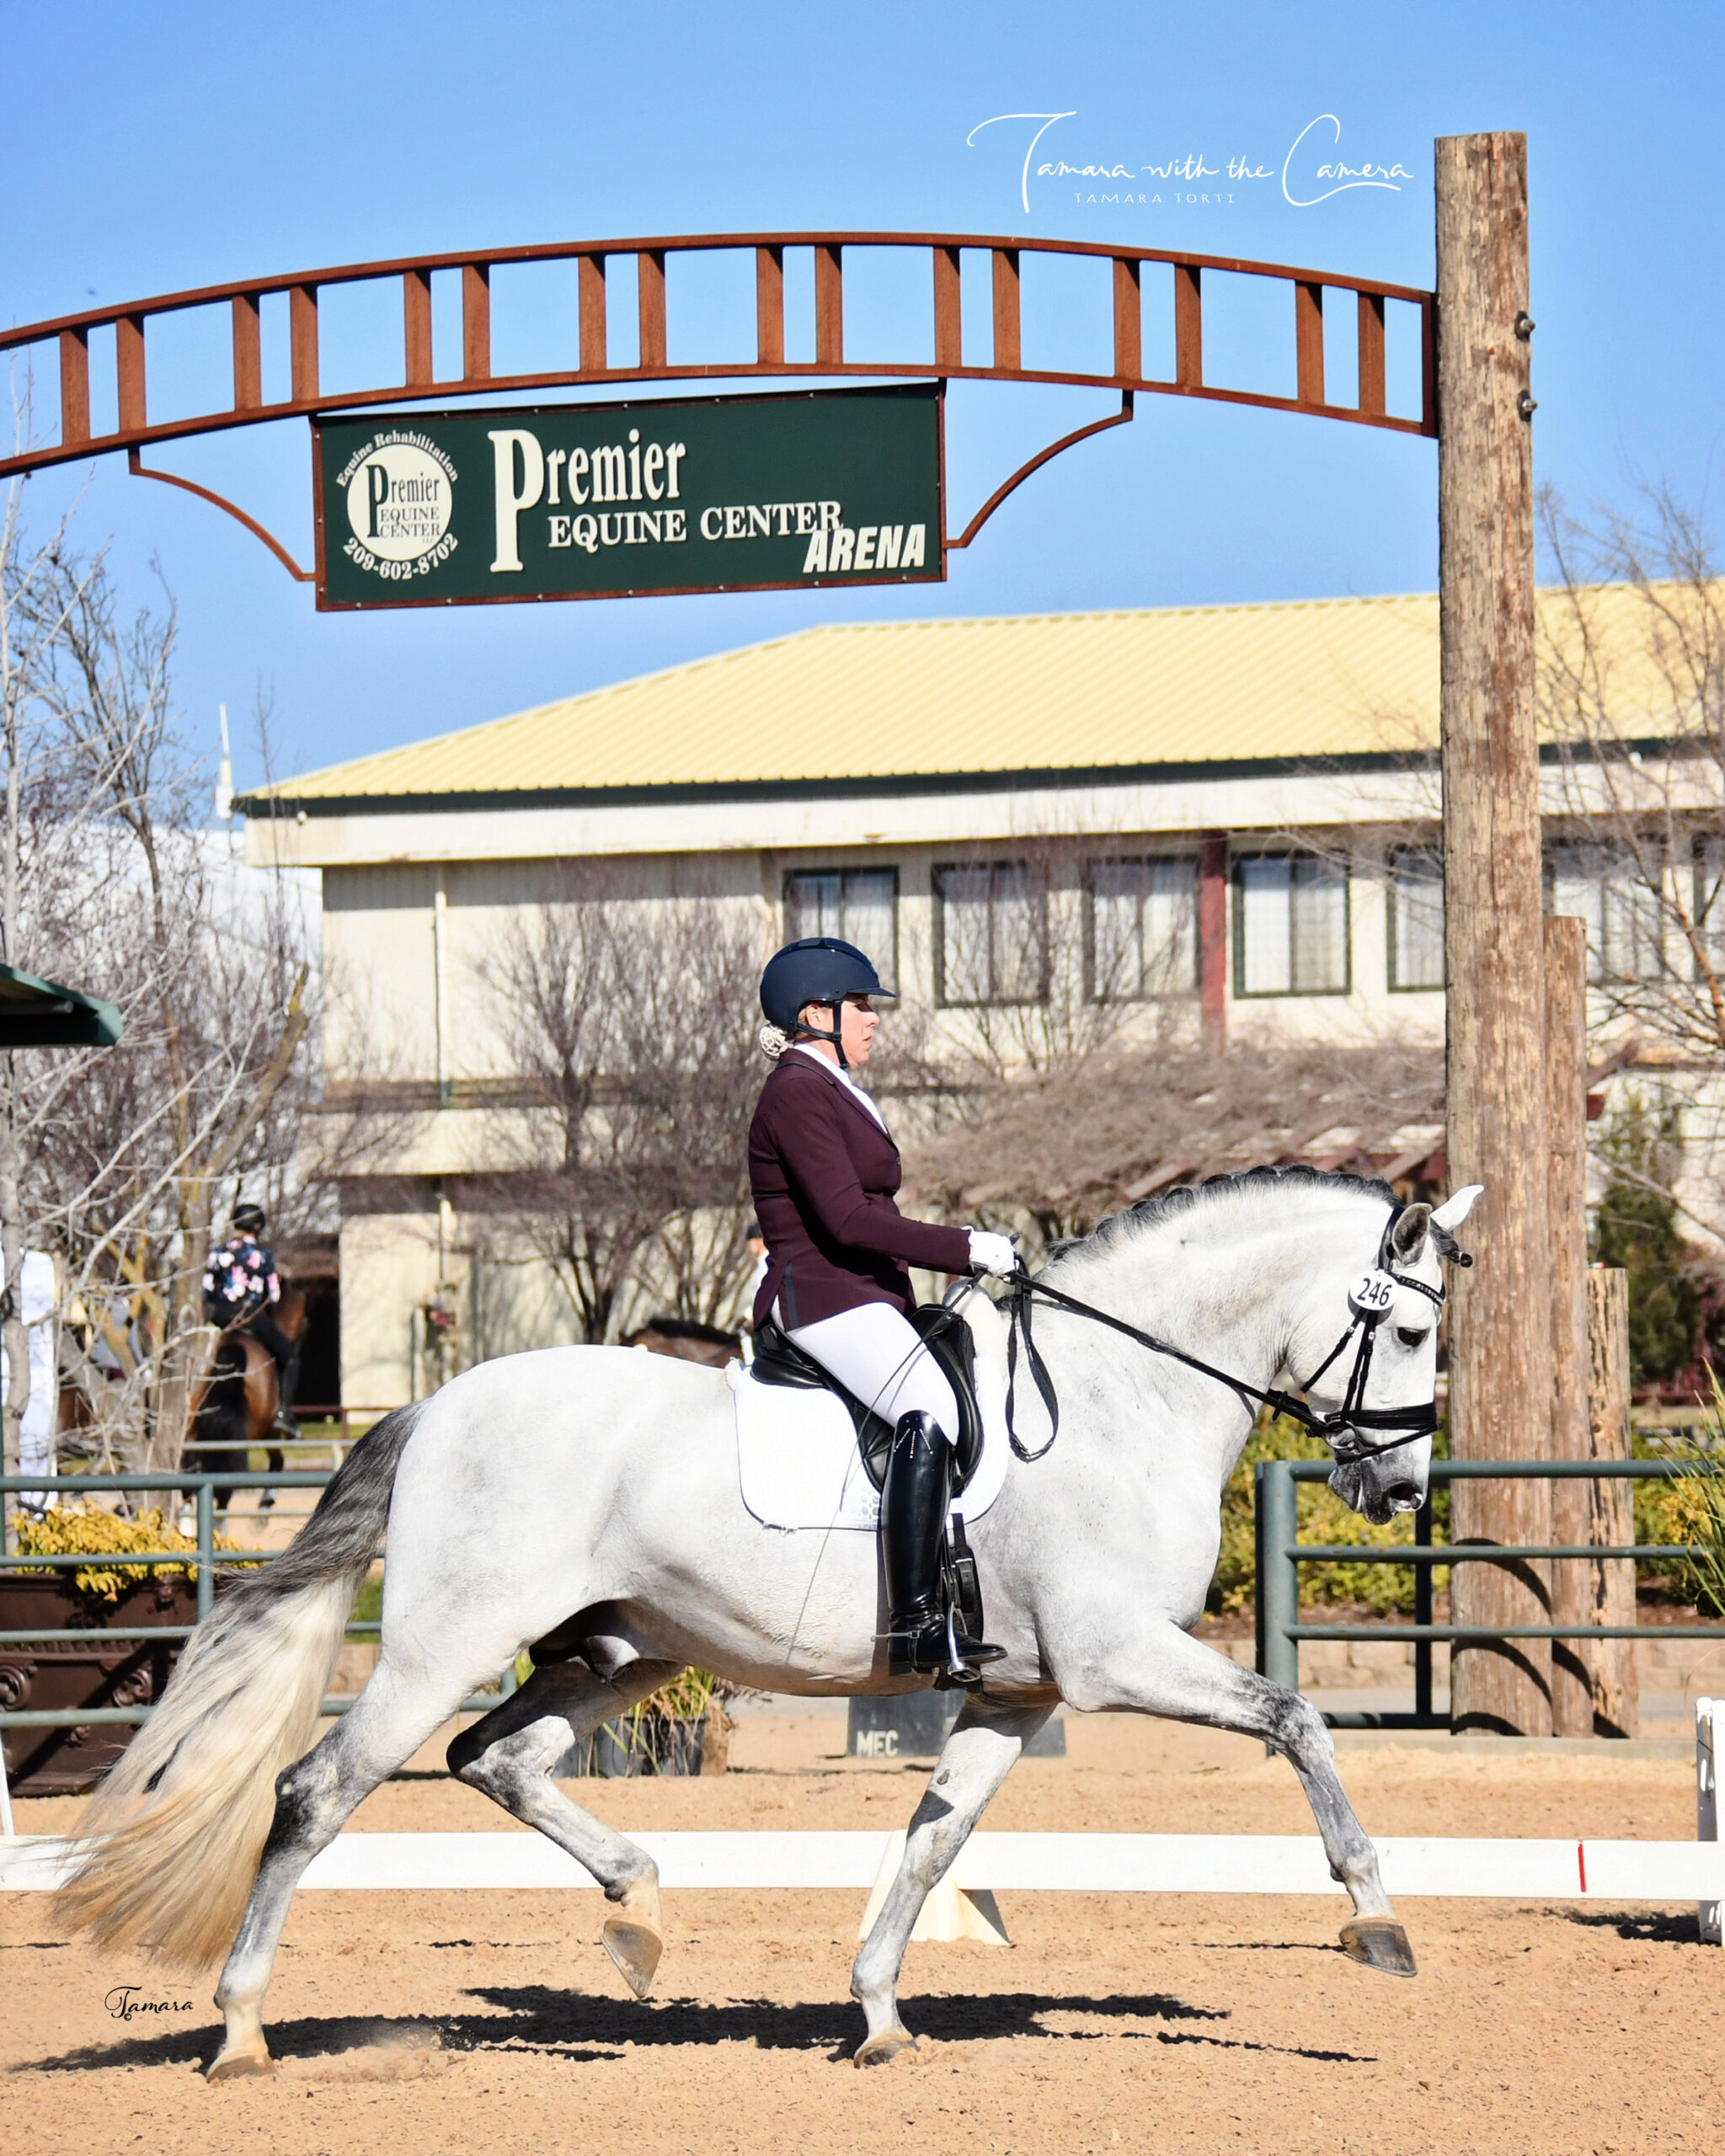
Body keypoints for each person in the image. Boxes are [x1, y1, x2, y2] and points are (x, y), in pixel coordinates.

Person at [748, 936, 1018, 1679]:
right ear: (815, 1013)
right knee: (928, 1407)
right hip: (823, 1296)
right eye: (861, 1005)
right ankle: (918, 1620)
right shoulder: (797, 1092)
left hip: (865, 1294)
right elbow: (846, 1221)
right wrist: (965, 1248)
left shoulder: (832, 1086)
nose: (873, 1018)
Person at [202, 1203, 300, 1439]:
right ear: (258, 1226)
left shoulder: (218, 1252)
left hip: (220, 1317)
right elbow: (274, 1295)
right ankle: (284, 1414)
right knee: (290, 1357)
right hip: (251, 1315)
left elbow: (207, 1290)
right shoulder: (262, 1254)